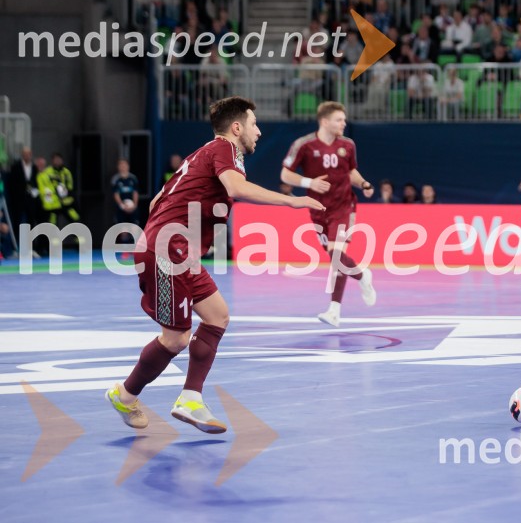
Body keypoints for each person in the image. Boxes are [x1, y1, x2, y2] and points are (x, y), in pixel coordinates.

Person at [105, 96, 324, 432]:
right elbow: (236, 188)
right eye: (254, 124)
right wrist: (291, 202)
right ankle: (125, 394)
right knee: (176, 338)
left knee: (217, 315)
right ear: (236, 128)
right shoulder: (223, 148)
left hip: (176, 251)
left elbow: (156, 203)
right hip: (168, 249)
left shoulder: (202, 156)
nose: (259, 132)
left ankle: (190, 398)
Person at [281, 101, 377, 328]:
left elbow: (350, 171)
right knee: (336, 257)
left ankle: (334, 311)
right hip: (317, 209)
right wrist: (309, 182)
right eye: (339, 120)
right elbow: (285, 174)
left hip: (343, 206)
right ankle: (363, 276)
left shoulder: (348, 145)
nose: (344, 123)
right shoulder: (304, 145)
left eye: (344, 119)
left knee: (337, 256)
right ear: (325, 121)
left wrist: (363, 183)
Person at [39, 152, 80, 227]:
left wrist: (65, 191)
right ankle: (54, 238)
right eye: (55, 159)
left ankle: (78, 237)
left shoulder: (66, 172)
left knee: (75, 219)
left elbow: (70, 186)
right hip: (54, 203)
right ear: (52, 161)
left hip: (66, 202)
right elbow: (46, 186)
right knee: (52, 223)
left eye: (59, 159)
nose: (57, 161)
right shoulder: (47, 172)